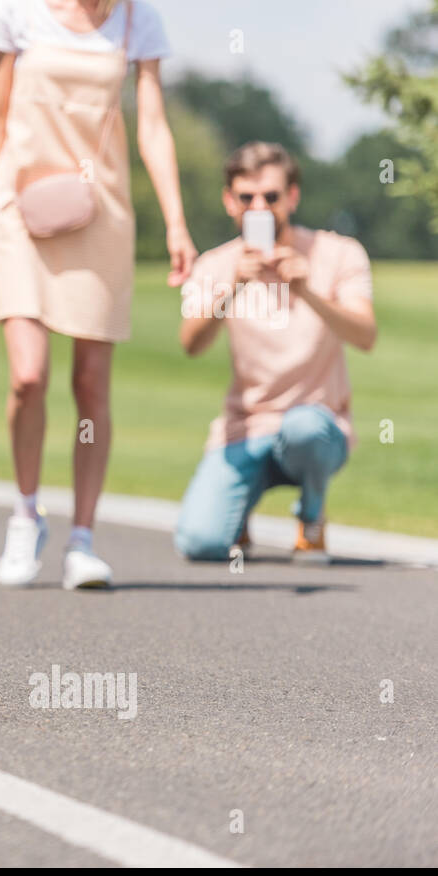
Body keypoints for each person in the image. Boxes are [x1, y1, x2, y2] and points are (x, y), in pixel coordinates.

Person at [0, 0, 196, 590]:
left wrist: (176, 222)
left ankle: (83, 540)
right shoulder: (16, 12)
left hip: (101, 213)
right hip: (19, 207)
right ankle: (26, 512)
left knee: (91, 384)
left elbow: (152, 124)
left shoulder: (138, 19)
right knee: (29, 376)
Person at [175, 142, 376, 563]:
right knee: (200, 543)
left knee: (305, 428)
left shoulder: (338, 253)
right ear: (229, 201)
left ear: (293, 196)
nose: (260, 208)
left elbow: (365, 335)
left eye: (271, 196)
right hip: (246, 428)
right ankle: (241, 506)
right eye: (247, 198)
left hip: (316, 425)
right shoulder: (216, 265)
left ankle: (312, 518)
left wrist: (309, 292)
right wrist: (232, 286)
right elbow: (192, 344)